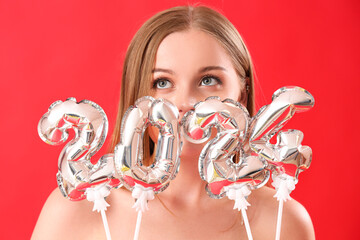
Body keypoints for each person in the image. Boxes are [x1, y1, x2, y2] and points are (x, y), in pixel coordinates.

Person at [32, 5, 315, 239]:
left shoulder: (283, 219)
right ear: (138, 94)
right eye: (162, 82)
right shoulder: (78, 210)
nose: (185, 103)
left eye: (208, 81)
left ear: (242, 92)